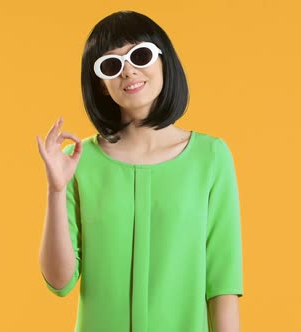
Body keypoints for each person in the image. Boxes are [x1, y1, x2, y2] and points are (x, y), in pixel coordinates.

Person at [36, 10, 243, 332]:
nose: (128, 71)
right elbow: (59, 281)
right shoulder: (79, 161)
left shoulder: (210, 157)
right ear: (102, 85)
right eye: (111, 65)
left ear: (164, 61)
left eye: (140, 55)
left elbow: (222, 283)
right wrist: (56, 190)